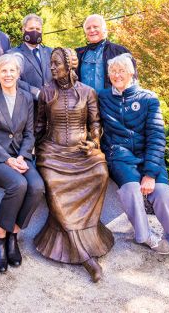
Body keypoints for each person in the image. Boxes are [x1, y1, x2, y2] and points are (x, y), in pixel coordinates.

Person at [98, 54, 169, 257]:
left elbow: (157, 137)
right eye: (113, 71)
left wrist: (150, 173)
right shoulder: (103, 97)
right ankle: (146, 236)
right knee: (131, 189)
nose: (116, 75)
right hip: (120, 155)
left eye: (121, 70)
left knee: (163, 193)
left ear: (131, 73)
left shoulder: (148, 98)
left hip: (147, 155)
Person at [34, 47, 114, 283]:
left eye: (56, 63)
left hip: (81, 151)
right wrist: (30, 150)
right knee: (52, 182)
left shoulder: (88, 92)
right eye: (51, 63)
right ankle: (84, 255)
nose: (52, 68)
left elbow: (95, 122)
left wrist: (95, 141)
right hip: (52, 152)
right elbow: (38, 125)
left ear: (70, 65)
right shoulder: (46, 92)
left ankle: (90, 235)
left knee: (100, 172)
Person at [0, 53, 44, 273]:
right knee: (18, 184)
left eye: (12, 70)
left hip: (20, 156)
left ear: (18, 73)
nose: (8, 74)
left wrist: (23, 157)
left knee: (37, 187)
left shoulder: (26, 98)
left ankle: (13, 233)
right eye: (3, 70)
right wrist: (7, 159)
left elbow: (29, 133)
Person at [76, 14, 137, 92]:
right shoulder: (78, 54)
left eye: (95, 27)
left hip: (111, 103)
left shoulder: (120, 51)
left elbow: (133, 79)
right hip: (84, 102)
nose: (92, 30)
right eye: (88, 28)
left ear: (104, 29)